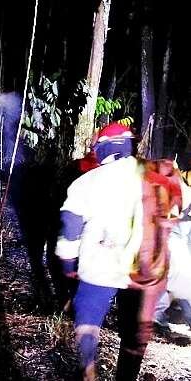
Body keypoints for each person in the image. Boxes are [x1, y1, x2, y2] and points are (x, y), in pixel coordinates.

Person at [55, 123, 188, 381]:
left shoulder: (86, 182)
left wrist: (69, 267)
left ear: (101, 149)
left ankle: (87, 369)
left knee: (88, 315)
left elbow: (70, 229)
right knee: (134, 333)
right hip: (146, 268)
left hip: (100, 266)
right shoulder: (156, 174)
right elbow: (183, 205)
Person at [154, 169, 191, 331]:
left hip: (175, 239)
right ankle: (155, 317)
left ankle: (156, 317)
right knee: (181, 282)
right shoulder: (176, 187)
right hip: (172, 239)